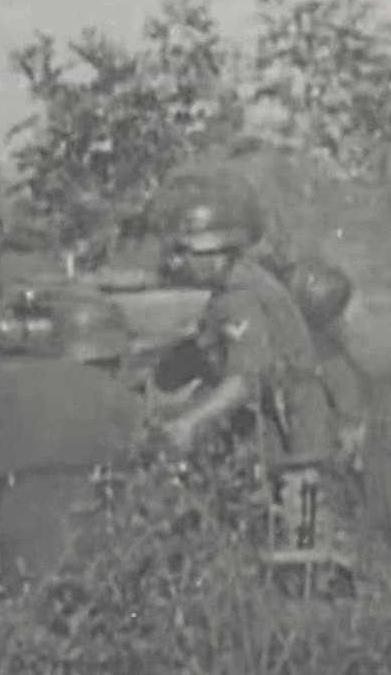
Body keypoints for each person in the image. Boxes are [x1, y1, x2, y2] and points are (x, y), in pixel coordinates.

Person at [149, 170, 354, 567]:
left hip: (292, 415)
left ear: (218, 252)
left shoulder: (241, 299)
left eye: (189, 252)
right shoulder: (241, 285)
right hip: (282, 411)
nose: (181, 261)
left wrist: (191, 423)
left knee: (302, 523)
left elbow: (245, 379)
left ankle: (311, 594)